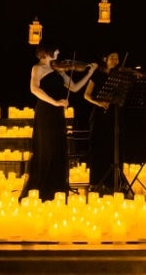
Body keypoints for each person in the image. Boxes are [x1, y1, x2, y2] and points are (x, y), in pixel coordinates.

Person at [22, 46, 95, 202]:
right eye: (55, 50)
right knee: (46, 148)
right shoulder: (37, 68)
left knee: (56, 148)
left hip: (57, 113)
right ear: (46, 52)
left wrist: (89, 73)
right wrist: (55, 102)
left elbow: (74, 88)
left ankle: (55, 188)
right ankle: (43, 189)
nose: (59, 53)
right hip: (46, 112)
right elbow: (34, 89)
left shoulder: (58, 70)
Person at [81, 52, 123, 194]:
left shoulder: (120, 77)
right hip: (99, 114)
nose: (115, 61)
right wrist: (99, 102)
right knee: (98, 148)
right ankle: (96, 182)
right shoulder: (98, 75)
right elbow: (86, 95)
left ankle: (112, 183)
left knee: (113, 147)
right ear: (105, 59)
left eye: (117, 58)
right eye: (112, 58)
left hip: (114, 115)